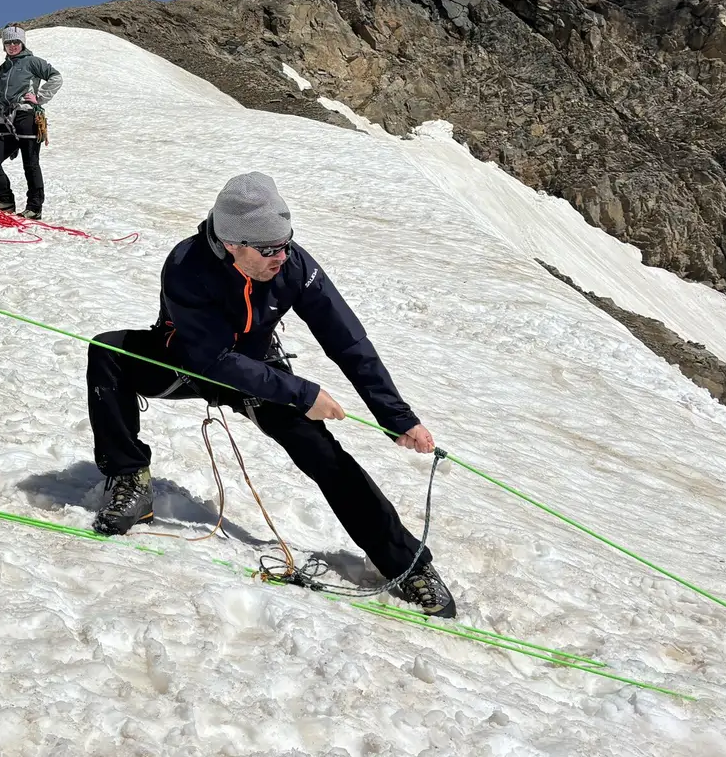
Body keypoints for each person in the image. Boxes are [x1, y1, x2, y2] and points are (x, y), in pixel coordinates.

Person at [84, 172, 458, 617]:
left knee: (327, 459)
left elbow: (348, 341)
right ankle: (129, 478)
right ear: (231, 244)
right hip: (187, 362)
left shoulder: (293, 263)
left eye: (286, 243)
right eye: (268, 250)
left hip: (259, 372)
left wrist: (396, 416)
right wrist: (302, 393)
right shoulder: (187, 265)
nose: (281, 256)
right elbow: (210, 360)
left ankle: (407, 563)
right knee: (106, 351)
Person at [0, 25, 61, 221]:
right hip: (6, 120)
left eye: (16, 42)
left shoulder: (32, 62)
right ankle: (6, 200)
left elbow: (56, 77)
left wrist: (40, 97)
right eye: (8, 42)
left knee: (30, 164)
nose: (12, 46)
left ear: (22, 43)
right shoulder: (2, 69)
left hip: (26, 117)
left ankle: (34, 208)